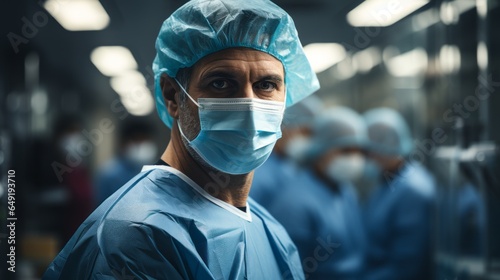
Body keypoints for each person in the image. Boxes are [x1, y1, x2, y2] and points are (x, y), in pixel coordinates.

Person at [43, 0, 319, 279]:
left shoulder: (272, 233)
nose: (248, 105)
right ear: (172, 96)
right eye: (221, 83)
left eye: (266, 85)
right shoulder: (137, 235)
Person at [260, 107, 367, 279]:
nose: (354, 159)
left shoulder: (346, 191)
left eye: (360, 151)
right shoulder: (294, 203)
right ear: (321, 150)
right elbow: (290, 270)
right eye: (345, 151)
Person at [362, 108, 436, 280]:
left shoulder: (413, 191)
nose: (364, 158)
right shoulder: (389, 180)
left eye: (367, 151)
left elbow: (406, 268)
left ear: (381, 147)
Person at [250, 95, 322, 208]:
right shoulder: (256, 171)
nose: (308, 140)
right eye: (305, 132)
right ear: (281, 125)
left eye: (311, 135)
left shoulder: (287, 166)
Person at [94, 117, 158, 205]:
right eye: (137, 140)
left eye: (145, 140)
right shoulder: (110, 174)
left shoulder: (153, 173)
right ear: (123, 143)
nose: (142, 145)